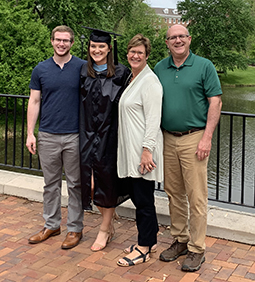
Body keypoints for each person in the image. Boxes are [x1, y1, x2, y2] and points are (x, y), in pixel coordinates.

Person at [154, 24, 222, 272]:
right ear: (167, 42)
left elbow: (215, 101)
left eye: (182, 36)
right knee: (174, 193)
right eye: (173, 37)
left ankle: (197, 248)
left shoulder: (204, 66)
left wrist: (207, 137)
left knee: (196, 196)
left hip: (194, 138)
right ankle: (181, 239)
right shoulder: (160, 67)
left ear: (189, 39)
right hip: (167, 138)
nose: (178, 40)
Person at [26, 25, 85, 249]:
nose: (62, 44)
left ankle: (74, 229)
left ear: (71, 43)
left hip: (74, 136)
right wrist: (30, 133)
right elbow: (34, 101)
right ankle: (51, 225)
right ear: (52, 41)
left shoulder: (81, 67)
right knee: (50, 184)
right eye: (58, 40)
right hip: (48, 135)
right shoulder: (40, 69)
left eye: (66, 40)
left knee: (75, 185)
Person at [79, 28, 130, 252]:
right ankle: (108, 222)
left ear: (109, 48)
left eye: (101, 46)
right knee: (89, 184)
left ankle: (105, 229)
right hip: (87, 135)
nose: (97, 50)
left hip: (111, 136)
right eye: (93, 46)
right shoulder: (83, 71)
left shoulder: (121, 73)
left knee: (107, 184)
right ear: (89, 48)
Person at [117, 34, 163, 267]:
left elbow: (154, 120)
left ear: (147, 56)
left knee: (143, 199)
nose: (135, 56)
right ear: (128, 53)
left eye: (140, 53)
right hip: (132, 149)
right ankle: (151, 239)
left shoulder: (150, 82)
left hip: (143, 151)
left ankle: (144, 247)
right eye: (132, 52)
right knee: (138, 196)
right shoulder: (133, 79)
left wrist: (147, 150)